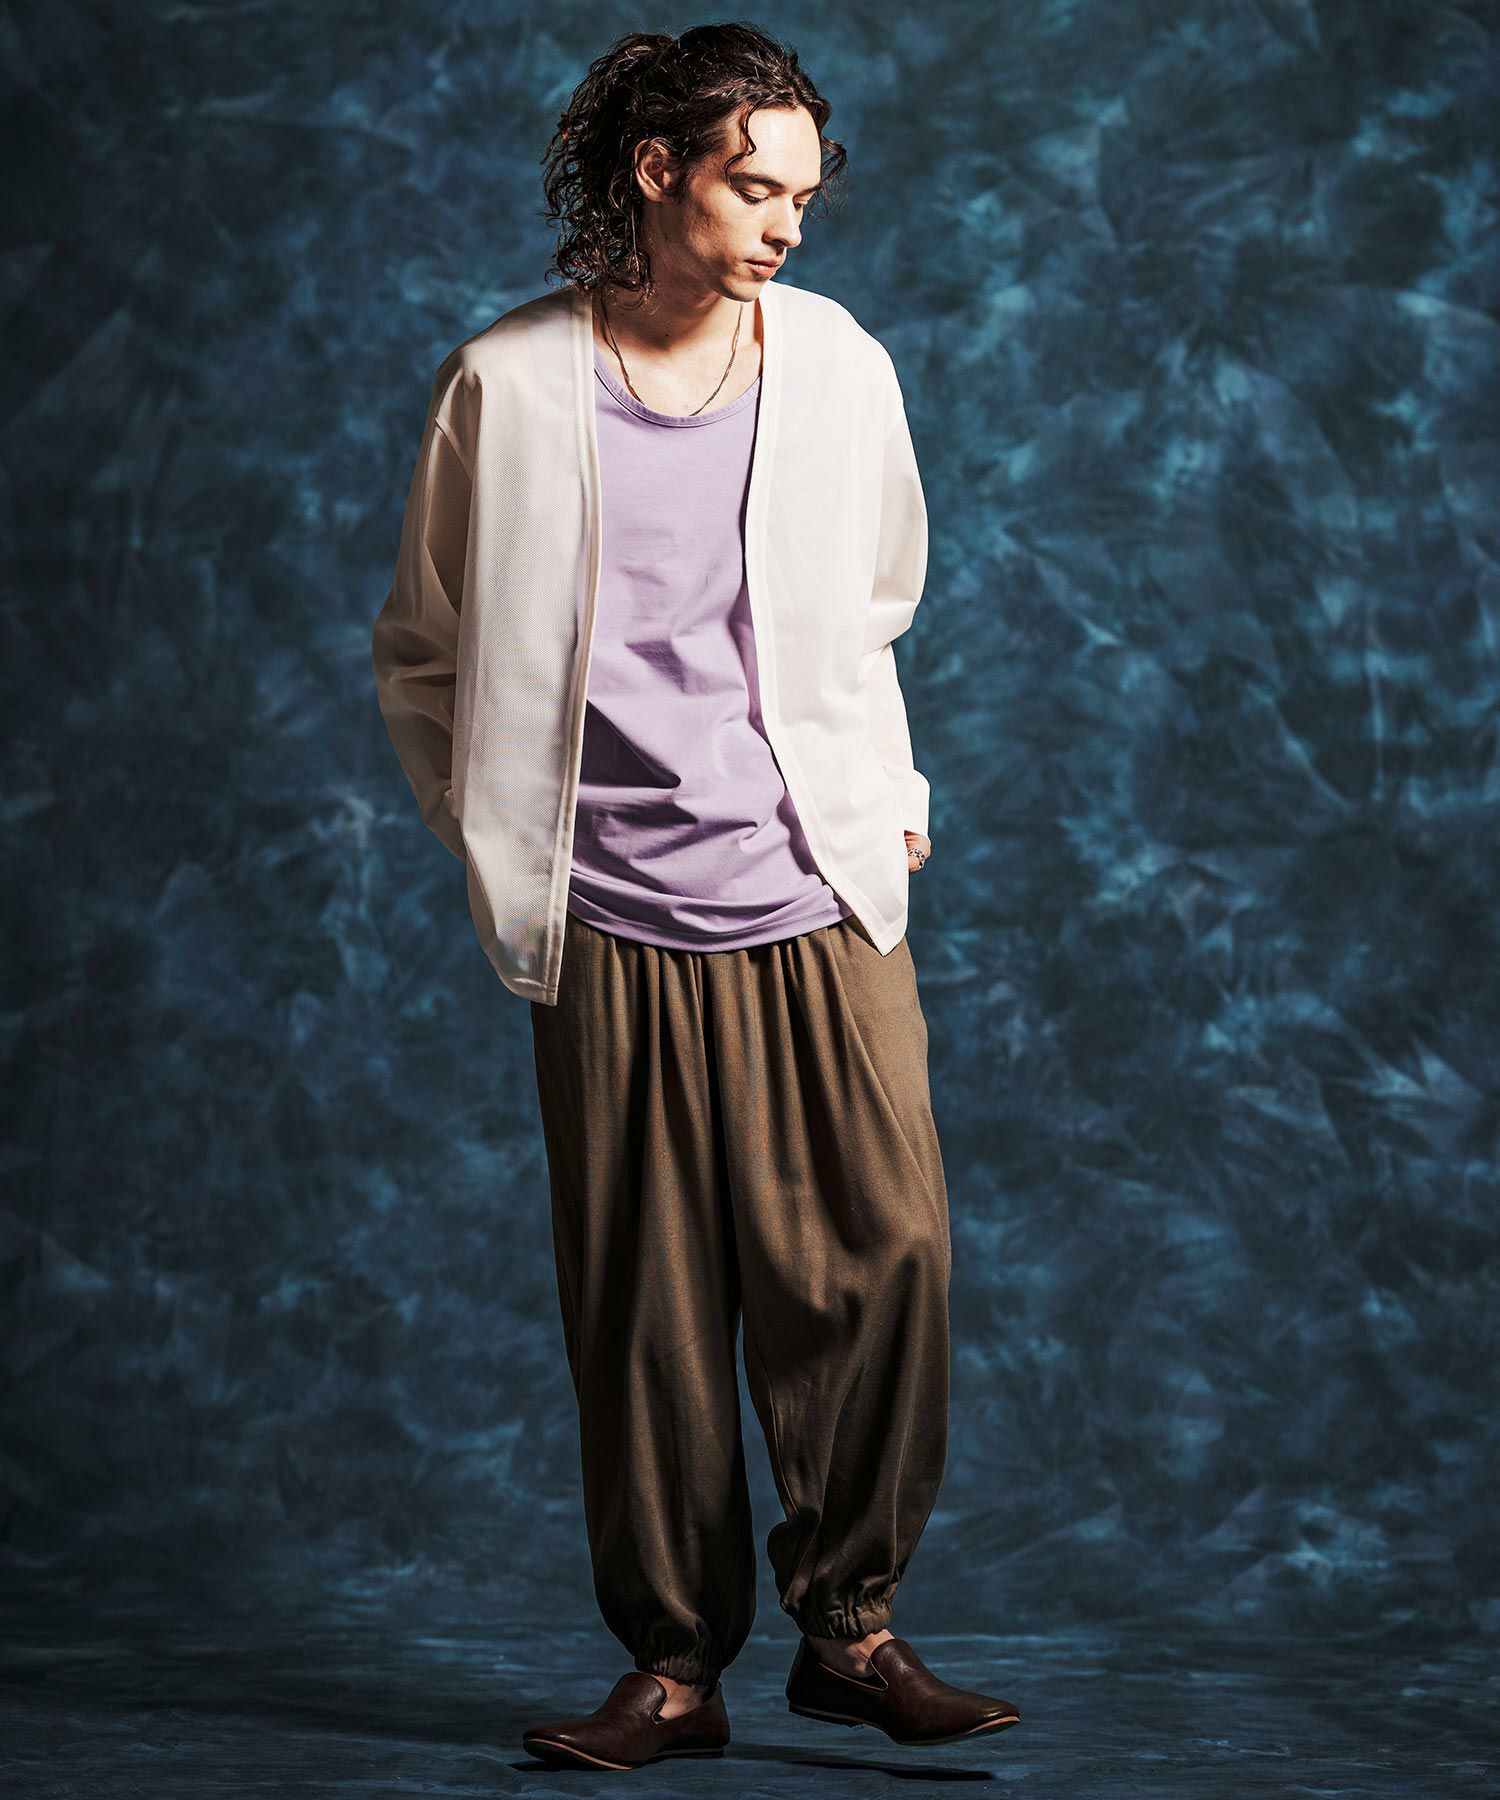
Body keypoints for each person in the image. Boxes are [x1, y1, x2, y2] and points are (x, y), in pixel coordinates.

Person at [371, 21, 1020, 1772]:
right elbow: (425, 651)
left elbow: (877, 608)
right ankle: (673, 1671)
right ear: (655, 172)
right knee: (645, 1314)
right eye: (754, 185)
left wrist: (887, 799)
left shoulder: (838, 366)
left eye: (805, 192)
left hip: (813, 895)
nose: (787, 222)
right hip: (609, 920)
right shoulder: (507, 386)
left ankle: (850, 1631)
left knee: (886, 1258)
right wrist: (498, 832)